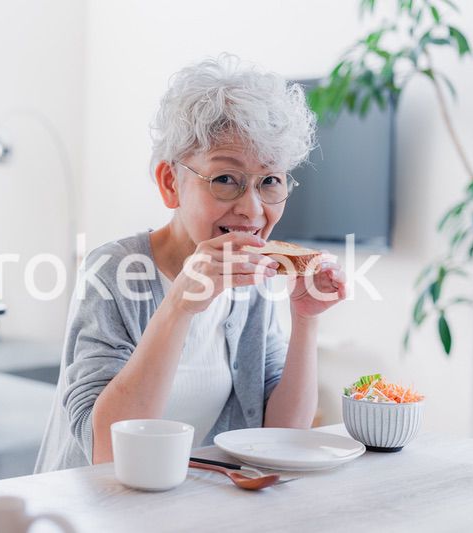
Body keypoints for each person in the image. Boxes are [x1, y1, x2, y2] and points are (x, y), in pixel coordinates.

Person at [35, 54, 346, 472]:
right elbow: (106, 452)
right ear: (170, 183)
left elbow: (280, 435)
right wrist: (182, 302)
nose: (252, 211)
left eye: (270, 181)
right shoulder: (113, 272)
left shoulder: (250, 283)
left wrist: (305, 320)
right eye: (225, 179)